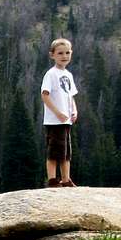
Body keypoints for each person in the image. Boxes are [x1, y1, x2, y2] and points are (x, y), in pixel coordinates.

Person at [41, 38, 78, 187]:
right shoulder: (51, 74)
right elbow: (45, 95)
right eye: (60, 53)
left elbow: (71, 95)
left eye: (67, 52)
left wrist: (74, 110)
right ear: (52, 55)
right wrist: (57, 112)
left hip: (66, 120)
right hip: (54, 120)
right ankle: (52, 180)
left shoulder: (68, 75)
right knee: (54, 151)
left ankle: (65, 179)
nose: (64, 56)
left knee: (66, 152)